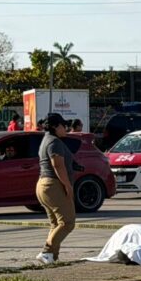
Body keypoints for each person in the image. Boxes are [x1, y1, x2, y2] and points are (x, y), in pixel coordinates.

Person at [34, 113, 83, 265]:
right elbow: (57, 165)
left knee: (56, 224)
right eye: (63, 125)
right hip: (53, 184)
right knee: (68, 222)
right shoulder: (54, 142)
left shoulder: (47, 140)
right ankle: (46, 251)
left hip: (43, 184)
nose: (66, 128)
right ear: (55, 127)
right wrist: (68, 186)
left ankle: (52, 257)